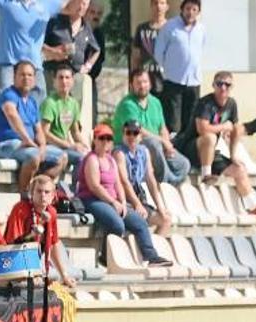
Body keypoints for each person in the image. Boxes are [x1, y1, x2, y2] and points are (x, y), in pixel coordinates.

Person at [178, 71, 256, 215]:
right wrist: (223, 127)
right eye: (219, 84)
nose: (223, 88)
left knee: (239, 169)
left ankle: (252, 206)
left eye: (227, 85)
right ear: (213, 86)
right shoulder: (205, 103)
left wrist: (233, 155)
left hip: (210, 152)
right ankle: (206, 174)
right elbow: (202, 128)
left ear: (231, 87)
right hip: (192, 148)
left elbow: (235, 130)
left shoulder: (231, 104)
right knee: (210, 137)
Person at [77, 124, 172, 267]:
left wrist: (121, 201)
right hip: (92, 199)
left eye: (109, 138)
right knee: (117, 224)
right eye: (102, 138)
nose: (105, 141)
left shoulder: (110, 159)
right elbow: (94, 186)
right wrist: (113, 202)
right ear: (95, 140)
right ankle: (105, 256)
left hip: (112, 200)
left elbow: (118, 184)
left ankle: (151, 257)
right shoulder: (92, 159)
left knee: (140, 223)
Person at [0, 61, 67, 193]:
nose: (26, 78)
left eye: (30, 75)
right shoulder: (8, 95)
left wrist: (41, 147)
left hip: (28, 146)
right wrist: (27, 141)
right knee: (33, 156)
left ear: (34, 79)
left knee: (62, 157)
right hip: (5, 145)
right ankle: (24, 196)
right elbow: (11, 114)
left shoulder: (31, 102)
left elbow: (39, 130)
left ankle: (38, 188)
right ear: (14, 77)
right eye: (22, 74)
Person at [112, 69, 189, 186]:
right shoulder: (127, 105)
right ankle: (165, 182)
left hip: (157, 144)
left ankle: (171, 181)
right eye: (138, 83)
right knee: (153, 143)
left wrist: (167, 145)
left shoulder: (155, 102)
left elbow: (162, 127)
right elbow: (139, 131)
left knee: (184, 164)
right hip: (130, 145)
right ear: (131, 85)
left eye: (145, 82)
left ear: (150, 83)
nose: (142, 86)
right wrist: (162, 141)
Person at [4, 174, 77, 287]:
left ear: (53, 196)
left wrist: (64, 275)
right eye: (39, 191)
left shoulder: (51, 212)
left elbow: (53, 245)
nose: (43, 195)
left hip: (37, 268)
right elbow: (12, 245)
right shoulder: (20, 209)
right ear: (31, 193)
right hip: (15, 267)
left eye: (47, 192)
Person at [0, 0, 65, 100]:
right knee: (5, 101)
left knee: (39, 100)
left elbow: (70, 7)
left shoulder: (46, 3)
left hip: (34, 64)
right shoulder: (7, 2)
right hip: (8, 62)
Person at [154, 0, 205, 134]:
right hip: (173, 81)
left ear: (198, 12)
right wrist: (166, 72)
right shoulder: (170, 27)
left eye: (194, 9)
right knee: (173, 123)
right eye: (188, 9)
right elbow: (159, 53)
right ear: (182, 9)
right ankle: (173, 152)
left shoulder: (201, 29)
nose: (191, 12)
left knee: (190, 123)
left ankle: (187, 152)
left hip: (193, 82)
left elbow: (201, 50)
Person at [113, 120, 172, 236]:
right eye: (128, 133)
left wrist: (160, 207)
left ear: (141, 136)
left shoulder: (144, 152)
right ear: (123, 135)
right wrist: (137, 204)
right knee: (141, 221)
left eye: (135, 133)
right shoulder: (119, 153)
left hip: (138, 196)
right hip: (123, 199)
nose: (132, 136)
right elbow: (124, 182)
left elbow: (151, 180)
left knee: (166, 219)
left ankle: (154, 249)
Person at [42, 0, 100, 103]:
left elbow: (96, 50)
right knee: (51, 107)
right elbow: (39, 45)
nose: (82, 7)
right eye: (80, 2)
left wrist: (88, 66)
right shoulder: (54, 21)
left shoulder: (86, 27)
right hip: (53, 75)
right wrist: (54, 52)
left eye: (85, 4)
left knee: (73, 111)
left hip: (75, 77)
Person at [40, 65, 89, 174]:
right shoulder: (50, 103)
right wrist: (70, 145)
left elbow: (75, 132)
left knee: (89, 157)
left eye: (67, 78)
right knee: (80, 159)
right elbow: (44, 133)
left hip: (65, 147)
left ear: (72, 81)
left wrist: (86, 147)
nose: (64, 81)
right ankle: (76, 189)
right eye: (60, 77)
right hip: (51, 147)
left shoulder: (74, 103)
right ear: (54, 81)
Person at [131, 0, 168, 99]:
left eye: (162, 3)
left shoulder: (172, 29)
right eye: (155, 3)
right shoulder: (142, 29)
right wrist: (134, 79)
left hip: (167, 82)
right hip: (146, 81)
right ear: (151, 6)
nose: (158, 6)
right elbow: (135, 57)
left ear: (166, 6)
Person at [86, 1, 105, 125]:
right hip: (74, 79)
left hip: (91, 80)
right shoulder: (78, 30)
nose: (95, 16)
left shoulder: (99, 34)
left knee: (91, 117)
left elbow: (101, 58)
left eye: (99, 13)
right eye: (92, 12)